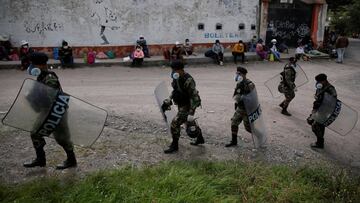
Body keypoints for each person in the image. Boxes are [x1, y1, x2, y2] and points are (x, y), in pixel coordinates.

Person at [23, 52, 77, 170]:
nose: (31, 67)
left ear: (41, 65)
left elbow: (53, 99)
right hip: (47, 110)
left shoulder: (50, 78)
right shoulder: (41, 76)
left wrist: (36, 99)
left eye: (33, 64)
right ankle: (40, 160)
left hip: (56, 111)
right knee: (35, 133)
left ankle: (71, 160)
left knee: (62, 138)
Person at [161, 60, 204, 153]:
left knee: (175, 123)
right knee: (189, 123)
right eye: (172, 70)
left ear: (181, 70)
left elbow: (194, 98)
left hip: (188, 105)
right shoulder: (177, 78)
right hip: (181, 104)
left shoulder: (188, 80)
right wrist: (169, 99)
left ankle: (174, 145)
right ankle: (200, 138)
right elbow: (176, 90)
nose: (173, 72)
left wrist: (191, 113)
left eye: (175, 70)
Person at [226, 67, 254, 147]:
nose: (237, 75)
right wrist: (237, 100)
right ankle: (234, 141)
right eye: (237, 73)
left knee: (248, 128)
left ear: (244, 74)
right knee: (234, 123)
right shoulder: (239, 83)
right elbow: (236, 94)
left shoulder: (250, 84)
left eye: (239, 74)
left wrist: (244, 97)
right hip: (240, 108)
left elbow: (253, 98)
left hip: (247, 110)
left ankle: (259, 135)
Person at [306, 74, 337, 149]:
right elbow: (318, 95)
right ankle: (320, 139)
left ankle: (320, 143)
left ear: (324, 80)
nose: (317, 83)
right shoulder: (320, 86)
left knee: (315, 126)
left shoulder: (330, 89)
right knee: (310, 121)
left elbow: (333, 101)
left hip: (324, 111)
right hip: (318, 109)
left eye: (318, 81)